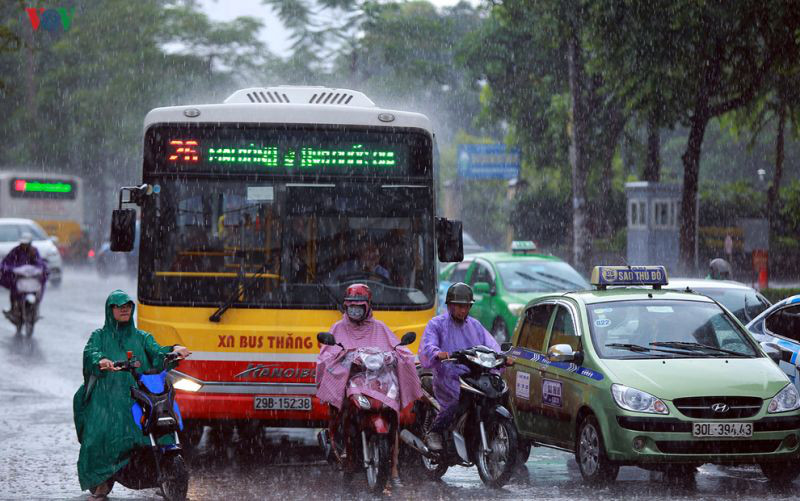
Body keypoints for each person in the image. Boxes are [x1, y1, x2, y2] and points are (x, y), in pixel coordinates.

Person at [73, 290, 191, 500]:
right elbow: (91, 353)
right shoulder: (99, 336)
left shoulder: (142, 337)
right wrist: (100, 361)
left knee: (160, 421)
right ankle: (101, 480)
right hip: (107, 397)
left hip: (138, 395)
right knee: (100, 432)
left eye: (127, 306)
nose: (124, 309)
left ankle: (161, 469)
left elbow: (157, 353)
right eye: (119, 306)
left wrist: (174, 350)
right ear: (110, 310)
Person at [316, 283, 422, 489]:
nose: (355, 311)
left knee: (393, 414)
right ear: (346, 307)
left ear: (368, 306)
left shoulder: (380, 327)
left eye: (359, 306)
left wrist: (398, 356)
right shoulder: (338, 328)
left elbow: (399, 349)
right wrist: (345, 357)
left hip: (378, 383)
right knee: (345, 411)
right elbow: (326, 355)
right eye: (351, 307)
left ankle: (394, 469)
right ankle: (343, 449)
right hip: (349, 384)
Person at [419, 282, 503, 451]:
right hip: (447, 377)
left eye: (466, 306)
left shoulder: (475, 325)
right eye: (459, 306)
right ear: (450, 305)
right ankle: (435, 431)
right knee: (455, 402)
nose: (463, 310)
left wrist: (501, 357)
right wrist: (438, 353)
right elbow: (428, 345)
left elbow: (491, 345)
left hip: (473, 376)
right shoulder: (436, 324)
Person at [0, 232, 48, 323]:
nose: (24, 245)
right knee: (14, 291)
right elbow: (5, 263)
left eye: (26, 244)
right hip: (19, 279)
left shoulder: (34, 251)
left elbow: (40, 264)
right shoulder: (15, 251)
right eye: (23, 243)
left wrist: (39, 270)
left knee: (40, 289)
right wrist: (11, 270)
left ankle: (36, 310)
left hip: (32, 280)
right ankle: (13, 309)